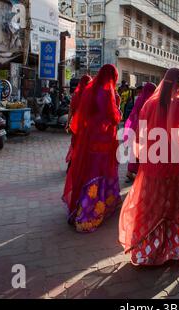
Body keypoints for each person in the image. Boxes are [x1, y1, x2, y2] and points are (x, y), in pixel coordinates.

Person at [119, 68, 179, 266]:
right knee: (175, 203)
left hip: (153, 160)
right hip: (175, 160)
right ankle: (173, 246)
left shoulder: (149, 104)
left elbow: (141, 135)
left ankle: (148, 247)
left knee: (151, 203)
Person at [62, 64, 122, 233]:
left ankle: (79, 208)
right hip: (102, 138)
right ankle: (88, 213)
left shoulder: (90, 89)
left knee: (89, 171)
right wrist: (118, 111)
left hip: (89, 137)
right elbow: (113, 117)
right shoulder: (106, 92)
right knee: (99, 172)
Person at [123, 82, 157, 182]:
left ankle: (130, 172)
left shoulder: (139, 99)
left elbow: (134, 113)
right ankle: (140, 174)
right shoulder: (152, 101)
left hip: (136, 127)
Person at [65, 75, 92, 168]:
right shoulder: (89, 94)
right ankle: (78, 166)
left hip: (76, 124)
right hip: (86, 125)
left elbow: (71, 110)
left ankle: (72, 165)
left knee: (76, 144)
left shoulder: (75, 94)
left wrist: (68, 123)